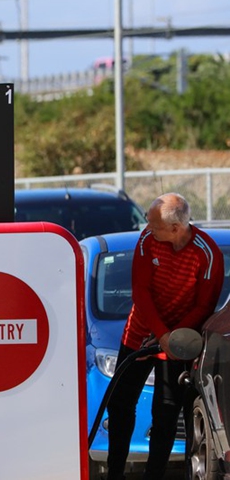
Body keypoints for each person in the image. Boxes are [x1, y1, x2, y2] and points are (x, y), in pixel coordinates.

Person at [106, 193, 224, 480]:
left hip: (179, 343)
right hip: (140, 335)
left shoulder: (207, 254)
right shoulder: (147, 242)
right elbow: (141, 293)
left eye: (154, 224)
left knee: (167, 411)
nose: (147, 228)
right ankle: (114, 473)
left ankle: (154, 475)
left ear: (175, 229)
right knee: (120, 403)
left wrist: (174, 338)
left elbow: (204, 305)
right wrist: (160, 334)